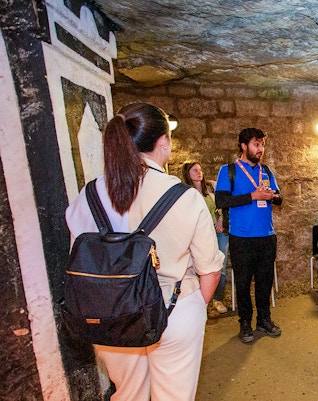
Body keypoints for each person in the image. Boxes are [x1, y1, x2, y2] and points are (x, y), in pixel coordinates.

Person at [65, 103, 223, 401]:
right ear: (164, 141)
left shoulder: (86, 197)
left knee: (128, 394)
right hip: (172, 309)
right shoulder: (185, 198)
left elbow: (78, 256)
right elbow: (210, 270)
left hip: (110, 316)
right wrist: (191, 308)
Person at [215, 127, 283, 344]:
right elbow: (221, 201)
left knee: (265, 281)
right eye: (256, 144)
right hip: (241, 238)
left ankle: (264, 319)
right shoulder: (229, 171)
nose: (260, 148)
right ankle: (245, 322)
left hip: (266, 236)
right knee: (243, 283)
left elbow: (279, 197)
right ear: (244, 146)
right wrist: (253, 196)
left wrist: (273, 196)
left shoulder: (267, 171)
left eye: (262, 144)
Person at [183, 160, 230, 315]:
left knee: (220, 265)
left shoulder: (209, 189)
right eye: (195, 170)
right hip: (200, 236)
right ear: (188, 174)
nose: (199, 172)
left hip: (218, 232)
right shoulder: (186, 193)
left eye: (200, 169)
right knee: (201, 268)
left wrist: (221, 221)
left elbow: (221, 205)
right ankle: (202, 302)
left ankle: (218, 299)